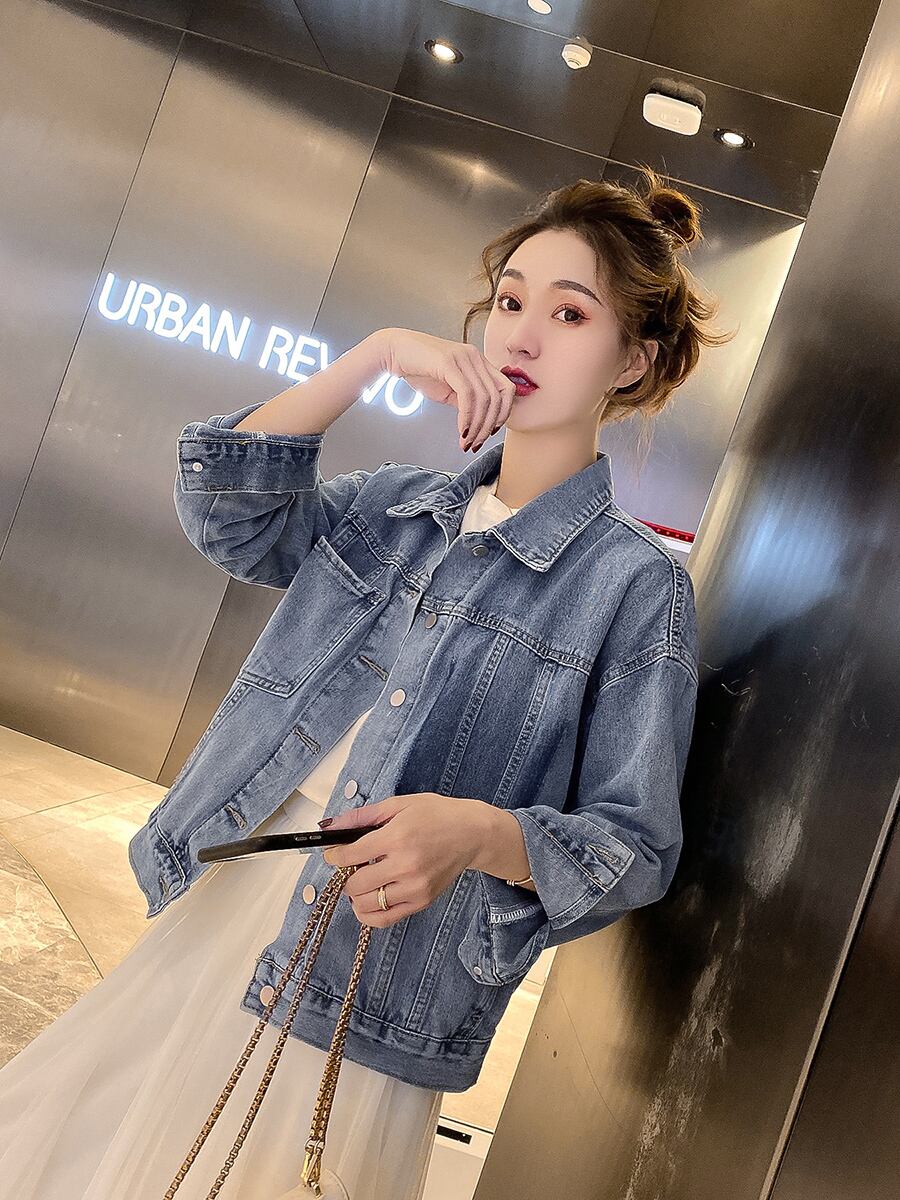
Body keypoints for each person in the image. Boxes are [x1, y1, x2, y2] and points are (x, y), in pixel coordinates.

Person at [0, 166, 731, 1199]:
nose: (522, 338)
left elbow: (635, 845)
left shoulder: (632, 587)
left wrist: (478, 833)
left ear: (633, 360)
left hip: (377, 974)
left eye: (570, 315)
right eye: (509, 302)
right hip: (232, 903)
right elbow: (230, 514)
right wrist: (372, 356)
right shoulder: (392, 506)